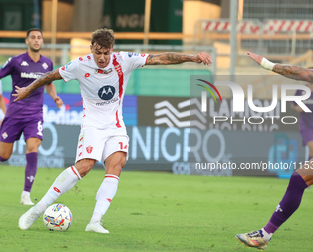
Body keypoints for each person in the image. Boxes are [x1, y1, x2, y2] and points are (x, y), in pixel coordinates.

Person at [14, 28, 212, 233]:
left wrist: (193, 57)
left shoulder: (124, 60)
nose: (102, 58)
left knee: (116, 164)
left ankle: (95, 221)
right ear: (91, 48)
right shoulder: (80, 65)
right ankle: (38, 209)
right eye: (97, 52)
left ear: (112, 50)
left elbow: (159, 58)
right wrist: (28, 90)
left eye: (106, 53)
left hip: (115, 126)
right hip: (92, 124)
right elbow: (50, 76)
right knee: (85, 166)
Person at [235, 27, 313, 250]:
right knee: (299, 179)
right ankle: (264, 234)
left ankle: (264, 235)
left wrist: (267, 64)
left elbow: (306, 74)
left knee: (299, 179)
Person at [0, 28, 63, 205]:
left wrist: (55, 97)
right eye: (33, 38)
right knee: (4, 156)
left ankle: (26, 194)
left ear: (42, 42)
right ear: (27, 41)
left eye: (39, 37)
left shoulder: (47, 64)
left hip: (34, 115)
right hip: (14, 114)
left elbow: (49, 84)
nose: (36, 40)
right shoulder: (16, 61)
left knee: (33, 148)